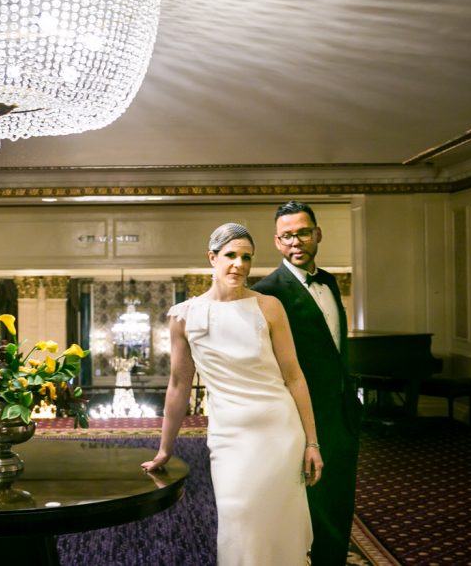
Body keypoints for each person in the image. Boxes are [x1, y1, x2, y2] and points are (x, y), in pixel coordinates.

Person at [142, 222, 323, 565]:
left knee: (277, 524)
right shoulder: (183, 316)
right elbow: (179, 385)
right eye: (230, 256)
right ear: (212, 258)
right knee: (238, 518)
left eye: (247, 258)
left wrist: (312, 442)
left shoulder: (269, 307)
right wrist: (165, 449)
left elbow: (294, 377)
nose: (239, 264)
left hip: (279, 431)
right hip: (230, 436)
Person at [252, 201, 362, 566]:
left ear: (317, 234)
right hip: (299, 419)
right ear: (277, 242)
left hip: (342, 414)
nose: (296, 241)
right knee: (307, 508)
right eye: (287, 236)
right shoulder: (267, 291)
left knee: (340, 500)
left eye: (302, 232)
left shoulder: (330, 281)